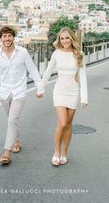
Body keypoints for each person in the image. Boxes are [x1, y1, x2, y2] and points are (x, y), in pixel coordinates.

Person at [0, 25, 41, 165]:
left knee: (12, 120)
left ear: (13, 37)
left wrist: (39, 87)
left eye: (9, 36)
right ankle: (16, 140)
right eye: (4, 36)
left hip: (19, 92)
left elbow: (32, 70)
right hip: (4, 93)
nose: (7, 38)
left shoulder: (22, 52)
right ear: (1, 38)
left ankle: (7, 152)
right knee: (12, 120)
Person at [37, 27, 88, 166]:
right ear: (59, 40)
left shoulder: (79, 54)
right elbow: (47, 72)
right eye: (62, 38)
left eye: (67, 38)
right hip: (59, 92)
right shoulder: (57, 54)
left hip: (74, 93)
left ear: (72, 38)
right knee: (63, 123)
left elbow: (83, 77)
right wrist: (40, 89)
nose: (65, 41)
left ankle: (65, 152)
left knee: (69, 125)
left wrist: (84, 97)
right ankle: (56, 152)